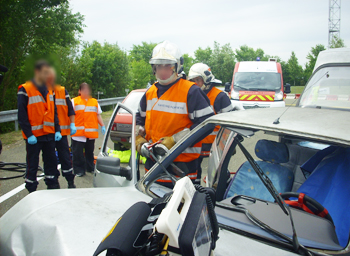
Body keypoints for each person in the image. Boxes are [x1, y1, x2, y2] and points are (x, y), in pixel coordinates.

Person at [135, 41, 214, 187]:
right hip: (153, 165)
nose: (162, 71)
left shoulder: (191, 91)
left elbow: (207, 124)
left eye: (168, 66)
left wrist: (175, 140)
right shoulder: (150, 92)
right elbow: (139, 118)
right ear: (154, 68)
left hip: (182, 167)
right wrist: (138, 138)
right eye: (159, 66)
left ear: (177, 66)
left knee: (180, 207)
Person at [17, 60, 62, 193]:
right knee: (32, 165)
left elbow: (53, 111)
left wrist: (57, 130)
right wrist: (29, 134)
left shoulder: (49, 89)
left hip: (49, 135)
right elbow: (22, 115)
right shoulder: (25, 89)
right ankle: (31, 189)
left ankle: (53, 186)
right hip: (34, 136)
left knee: (51, 162)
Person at [188, 63, 233, 182]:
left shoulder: (220, 97)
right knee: (194, 173)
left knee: (219, 174)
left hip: (216, 145)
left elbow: (230, 122)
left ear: (206, 79)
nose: (195, 83)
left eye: (198, 80)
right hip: (197, 143)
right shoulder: (192, 96)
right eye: (192, 80)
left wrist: (230, 144)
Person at [46, 68, 76, 188]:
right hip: (47, 133)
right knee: (49, 159)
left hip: (62, 133)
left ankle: (70, 182)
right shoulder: (42, 91)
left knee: (65, 158)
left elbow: (70, 110)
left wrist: (72, 124)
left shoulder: (62, 91)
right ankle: (53, 184)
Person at [71, 83, 106, 177]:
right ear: (79, 91)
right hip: (78, 133)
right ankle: (79, 170)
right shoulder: (74, 101)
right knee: (77, 153)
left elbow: (98, 114)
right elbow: (70, 115)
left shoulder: (94, 101)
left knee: (89, 152)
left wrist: (102, 125)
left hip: (90, 133)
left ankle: (90, 167)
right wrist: (71, 125)